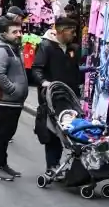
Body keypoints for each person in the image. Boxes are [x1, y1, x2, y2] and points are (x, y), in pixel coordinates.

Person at [31, 17, 82, 179]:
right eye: (71, 31)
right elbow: (37, 69)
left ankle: (65, 166)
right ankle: (51, 165)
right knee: (52, 132)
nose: (74, 35)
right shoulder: (46, 46)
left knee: (68, 132)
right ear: (60, 31)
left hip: (69, 96)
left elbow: (74, 70)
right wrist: (44, 82)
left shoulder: (73, 48)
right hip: (51, 97)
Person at [0, 17, 29, 181]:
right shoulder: (1, 50)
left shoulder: (12, 48)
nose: (19, 34)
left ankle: (2, 165)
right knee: (1, 135)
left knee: (7, 135)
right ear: (5, 33)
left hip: (13, 101)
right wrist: (13, 90)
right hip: (5, 100)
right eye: (15, 32)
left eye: (20, 31)